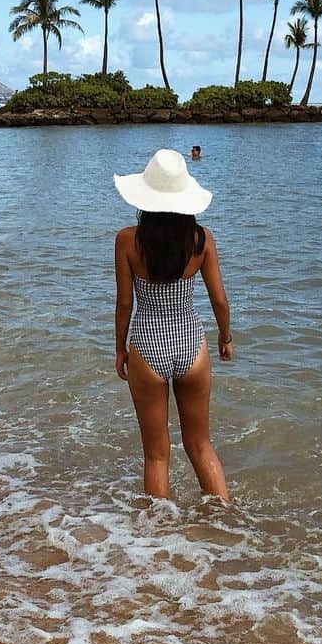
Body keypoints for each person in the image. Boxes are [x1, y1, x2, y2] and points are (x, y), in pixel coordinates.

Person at [113, 149, 233, 501]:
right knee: (200, 444)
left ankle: (158, 541)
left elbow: (124, 302)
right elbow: (219, 300)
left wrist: (120, 348)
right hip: (191, 345)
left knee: (156, 454)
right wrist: (225, 338)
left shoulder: (128, 240)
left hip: (148, 345)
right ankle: (228, 526)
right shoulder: (200, 240)